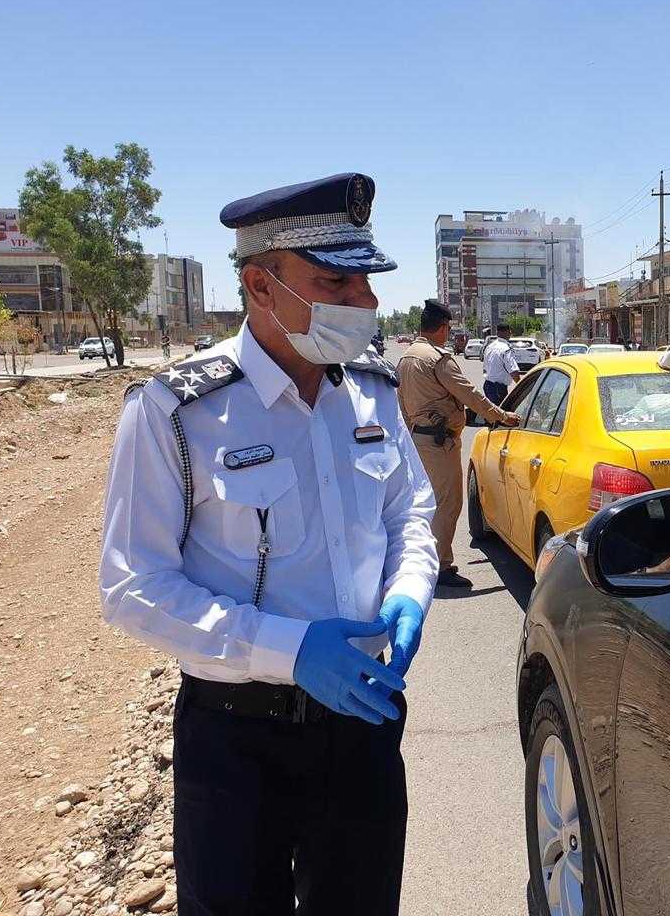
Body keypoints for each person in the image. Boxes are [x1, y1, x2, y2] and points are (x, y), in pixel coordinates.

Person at [100, 173, 438, 916]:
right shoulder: (177, 412)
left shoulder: (373, 393)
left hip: (362, 723)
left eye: (366, 283)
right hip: (234, 736)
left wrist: (410, 591)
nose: (365, 303)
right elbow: (132, 587)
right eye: (335, 283)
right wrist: (290, 650)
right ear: (260, 285)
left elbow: (409, 512)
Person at [398, 300, 520, 588]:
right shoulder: (437, 359)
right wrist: (501, 416)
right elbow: (469, 394)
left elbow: (401, 403)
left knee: (427, 504)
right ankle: (440, 566)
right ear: (442, 328)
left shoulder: (407, 357)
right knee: (447, 504)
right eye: (449, 329)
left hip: (419, 439)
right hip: (439, 443)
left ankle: (425, 560)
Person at [482, 322, 520, 405]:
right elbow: (513, 370)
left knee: (491, 411)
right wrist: (521, 386)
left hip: (488, 385)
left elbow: (485, 368)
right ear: (508, 332)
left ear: (497, 332)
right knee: (500, 411)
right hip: (498, 389)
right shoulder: (506, 349)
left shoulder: (489, 347)